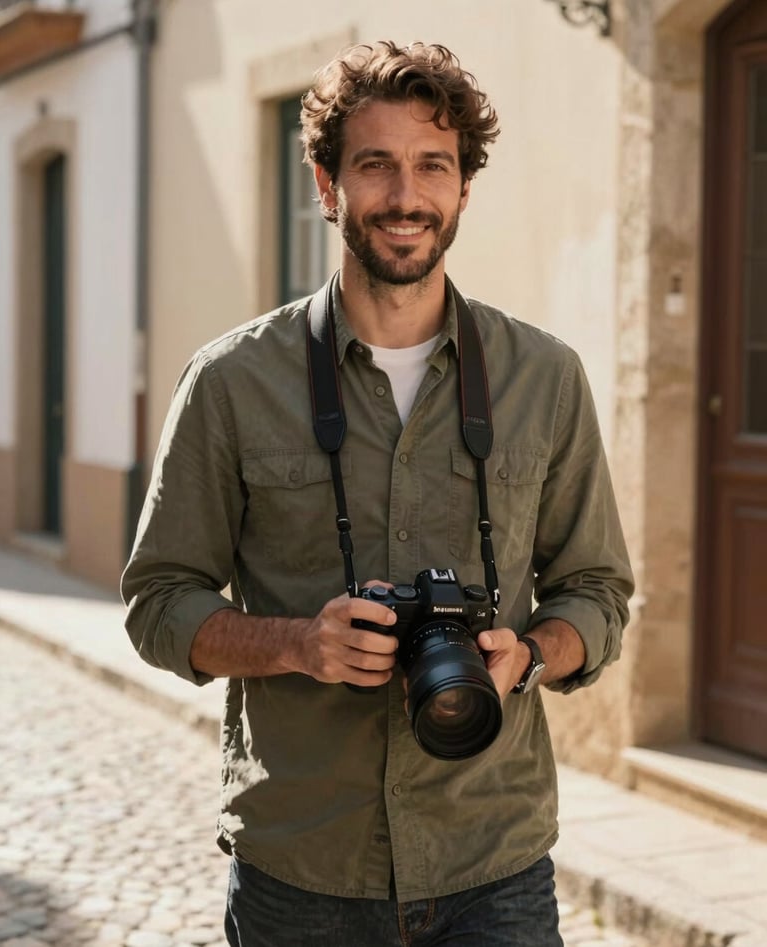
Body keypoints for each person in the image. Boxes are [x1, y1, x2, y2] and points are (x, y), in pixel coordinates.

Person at [122, 40, 633, 947]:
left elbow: (597, 590)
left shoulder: (544, 378)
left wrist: (531, 658)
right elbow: (160, 602)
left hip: (495, 862)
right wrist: (296, 644)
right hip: (302, 869)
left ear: (463, 190)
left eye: (433, 166)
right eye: (376, 165)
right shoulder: (230, 383)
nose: (406, 196)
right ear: (327, 184)